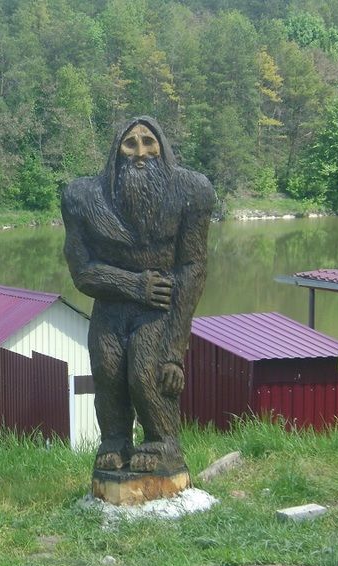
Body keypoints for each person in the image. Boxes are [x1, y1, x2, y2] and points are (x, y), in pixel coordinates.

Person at [61, 116, 215, 472]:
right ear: (117, 152)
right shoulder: (84, 197)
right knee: (107, 369)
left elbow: (193, 267)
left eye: (149, 142)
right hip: (112, 305)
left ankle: (164, 442)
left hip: (161, 307)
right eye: (131, 144)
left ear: (163, 149)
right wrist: (133, 285)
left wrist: (175, 351)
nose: (140, 153)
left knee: (147, 373)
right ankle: (114, 439)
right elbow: (82, 271)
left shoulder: (191, 191)